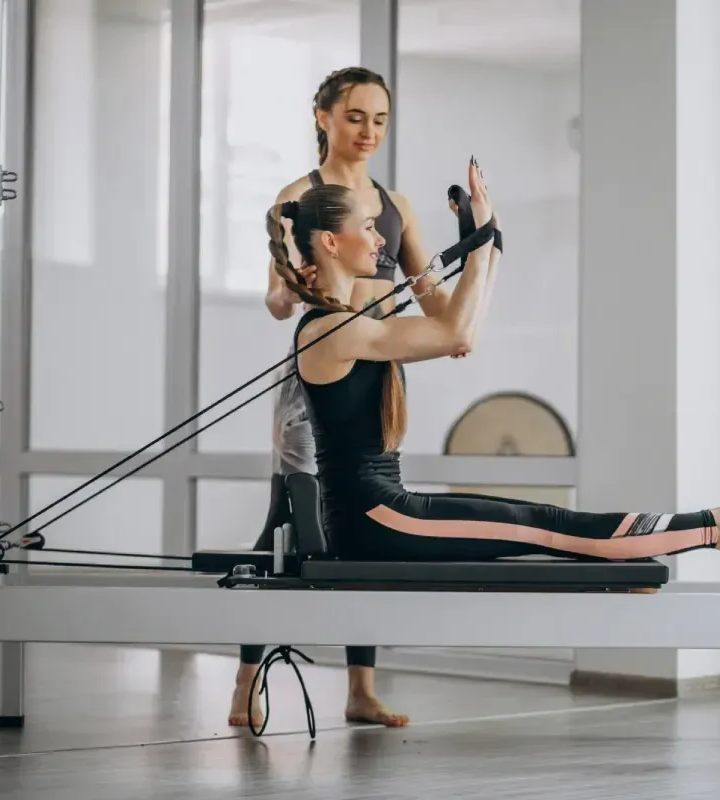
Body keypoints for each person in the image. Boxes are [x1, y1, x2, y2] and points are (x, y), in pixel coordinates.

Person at [272, 159, 720, 579]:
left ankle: (718, 526)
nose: (381, 238)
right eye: (368, 226)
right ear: (331, 242)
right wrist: (480, 242)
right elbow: (455, 330)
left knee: (544, 521)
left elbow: (465, 335)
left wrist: (489, 244)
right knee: (547, 530)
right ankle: (717, 528)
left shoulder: (352, 322)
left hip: (385, 512)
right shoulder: (330, 330)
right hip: (377, 520)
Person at [230, 66, 453, 732]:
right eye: (355, 116)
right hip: (319, 375)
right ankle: (245, 685)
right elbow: (276, 301)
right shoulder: (299, 197)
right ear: (323, 116)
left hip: (379, 371)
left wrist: (451, 326)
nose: (369, 132)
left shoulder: (396, 203)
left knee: (369, 520)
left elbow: (428, 288)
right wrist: (292, 287)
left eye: (380, 119)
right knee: (288, 524)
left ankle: (361, 688)